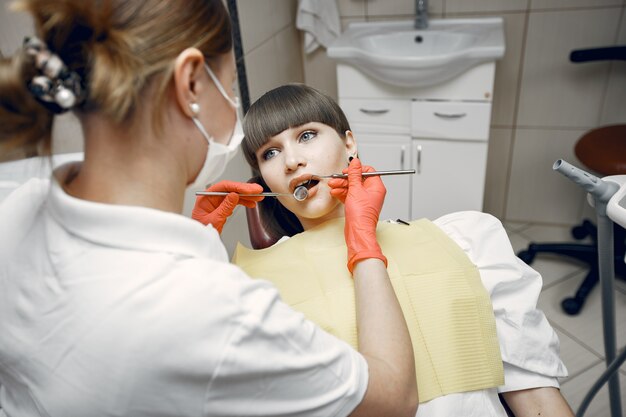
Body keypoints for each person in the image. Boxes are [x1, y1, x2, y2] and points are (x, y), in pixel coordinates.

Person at [0, 2, 418, 416]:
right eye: (232, 86)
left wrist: (198, 237)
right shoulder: (216, 312)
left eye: (306, 136)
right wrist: (364, 244)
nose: (291, 161)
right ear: (192, 83)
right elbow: (394, 398)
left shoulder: (14, 204)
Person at [195, 84, 575, 417]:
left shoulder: (465, 241)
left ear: (349, 144)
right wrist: (195, 248)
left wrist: (362, 236)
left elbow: (537, 399)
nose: (292, 160)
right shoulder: (250, 285)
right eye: (270, 153)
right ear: (263, 178)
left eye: (307, 135)